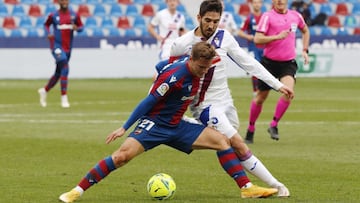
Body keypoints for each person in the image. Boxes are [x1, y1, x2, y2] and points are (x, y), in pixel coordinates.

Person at [58, 42, 279, 203]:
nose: (204, 72)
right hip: (154, 124)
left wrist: (165, 68)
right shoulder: (175, 77)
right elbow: (148, 101)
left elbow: (160, 64)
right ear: (192, 60)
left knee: (223, 141)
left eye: (206, 68)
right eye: (201, 68)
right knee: (121, 156)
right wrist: (124, 127)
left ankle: (246, 188)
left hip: (178, 125)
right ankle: (76, 191)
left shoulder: (197, 66)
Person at [169, 0, 293, 197]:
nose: (211, 25)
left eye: (215, 21)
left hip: (226, 102)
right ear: (199, 18)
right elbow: (167, 74)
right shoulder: (181, 44)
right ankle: (275, 186)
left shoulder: (225, 37)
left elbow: (248, 63)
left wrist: (277, 84)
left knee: (228, 145)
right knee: (237, 142)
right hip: (205, 106)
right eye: (207, 20)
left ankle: (194, 129)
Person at [245, 0, 310, 143]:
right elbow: (257, 39)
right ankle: (250, 128)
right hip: (269, 64)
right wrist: (276, 37)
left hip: (288, 63)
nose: (280, 1)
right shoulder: (268, 16)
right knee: (261, 98)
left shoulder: (296, 16)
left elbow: (305, 30)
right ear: (273, 1)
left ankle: (273, 125)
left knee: (289, 92)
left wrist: (305, 50)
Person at [37, 0, 83, 108]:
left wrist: (77, 28)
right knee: (65, 67)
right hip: (56, 46)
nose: (64, 2)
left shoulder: (74, 15)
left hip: (68, 48)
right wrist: (48, 34)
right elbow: (46, 25)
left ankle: (44, 90)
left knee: (59, 72)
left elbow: (81, 27)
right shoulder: (54, 15)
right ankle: (64, 98)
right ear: (59, 2)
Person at [238, 0, 264, 97]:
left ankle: (263, 89)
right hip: (253, 47)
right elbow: (240, 32)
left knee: (265, 69)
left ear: (261, 4)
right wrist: (249, 37)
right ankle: (255, 91)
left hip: (265, 47)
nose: (257, 4)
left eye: (258, 2)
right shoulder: (249, 18)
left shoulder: (265, 17)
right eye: (255, 3)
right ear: (252, 5)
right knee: (255, 68)